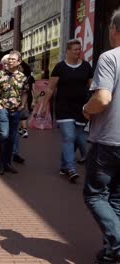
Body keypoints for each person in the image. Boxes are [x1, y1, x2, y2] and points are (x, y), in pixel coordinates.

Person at [83, 9, 120, 263]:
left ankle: (117, 243)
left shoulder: (110, 58)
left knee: (95, 194)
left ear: (115, 31)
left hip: (109, 139)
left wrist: (86, 109)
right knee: (116, 197)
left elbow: (103, 98)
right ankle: (110, 251)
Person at [45, 39, 93, 183]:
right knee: (68, 137)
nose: (78, 52)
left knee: (76, 139)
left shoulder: (86, 67)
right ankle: (71, 169)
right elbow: (50, 88)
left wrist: (93, 106)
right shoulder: (60, 67)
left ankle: (63, 165)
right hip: (63, 107)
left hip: (81, 109)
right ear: (68, 51)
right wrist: (42, 106)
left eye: (80, 49)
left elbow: (92, 88)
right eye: (75, 49)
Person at [0, 51, 29, 175]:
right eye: (9, 59)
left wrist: (22, 105)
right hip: (2, 109)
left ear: (19, 62)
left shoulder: (22, 77)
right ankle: (0, 164)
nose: (10, 61)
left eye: (13, 59)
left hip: (16, 111)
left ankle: (8, 163)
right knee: (3, 135)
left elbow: (25, 92)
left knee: (12, 137)